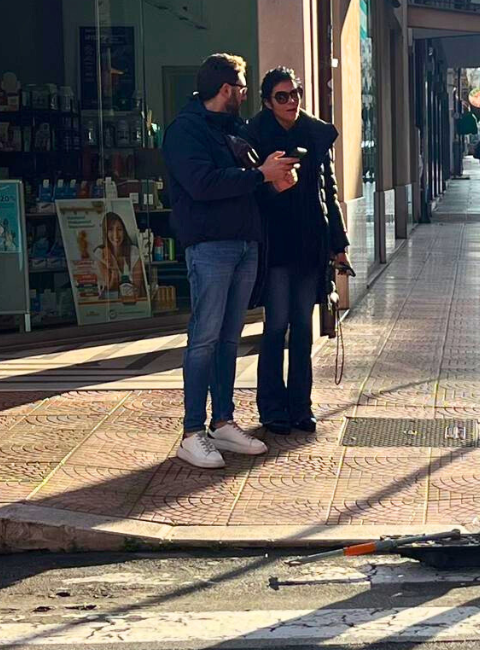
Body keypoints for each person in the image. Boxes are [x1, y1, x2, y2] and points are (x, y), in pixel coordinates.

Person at [162, 53, 300, 469]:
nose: (244, 93)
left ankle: (222, 421)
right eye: (241, 87)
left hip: (244, 243)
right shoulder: (185, 132)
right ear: (226, 89)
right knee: (204, 338)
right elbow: (202, 184)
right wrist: (261, 175)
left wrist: (273, 181)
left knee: (228, 338)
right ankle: (191, 431)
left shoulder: (235, 130)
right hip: (210, 246)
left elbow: (246, 185)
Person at [245, 67, 351, 435]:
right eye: (282, 96)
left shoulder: (314, 134)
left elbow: (329, 193)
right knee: (275, 327)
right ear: (267, 101)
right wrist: (273, 184)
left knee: (303, 330)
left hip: (309, 243)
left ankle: (300, 407)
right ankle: (272, 408)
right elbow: (248, 193)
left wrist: (339, 245)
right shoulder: (254, 135)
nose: (291, 102)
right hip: (274, 245)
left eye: (295, 94)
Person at [95, 212, 146, 299]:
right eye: (110, 229)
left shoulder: (133, 251)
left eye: (119, 229)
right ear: (105, 232)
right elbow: (110, 288)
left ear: (124, 231)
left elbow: (137, 288)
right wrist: (113, 268)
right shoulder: (100, 253)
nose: (116, 234)